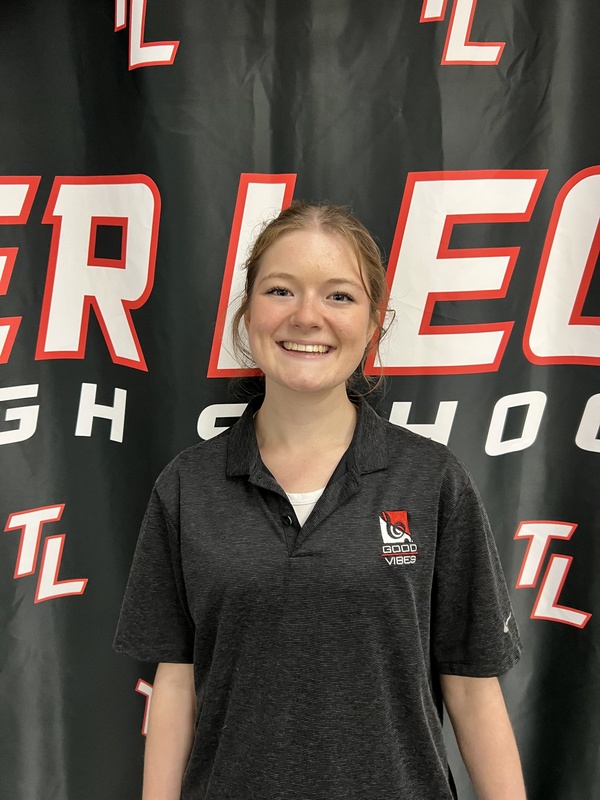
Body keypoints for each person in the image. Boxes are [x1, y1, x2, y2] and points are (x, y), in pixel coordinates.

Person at [114, 203, 527, 800]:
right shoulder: (187, 486)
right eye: (281, 290)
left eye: (339, 296)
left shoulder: (432, 480)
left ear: (373, 321)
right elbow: (175, 684)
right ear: (247, 313)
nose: (307, 317)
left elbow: (470, 686)